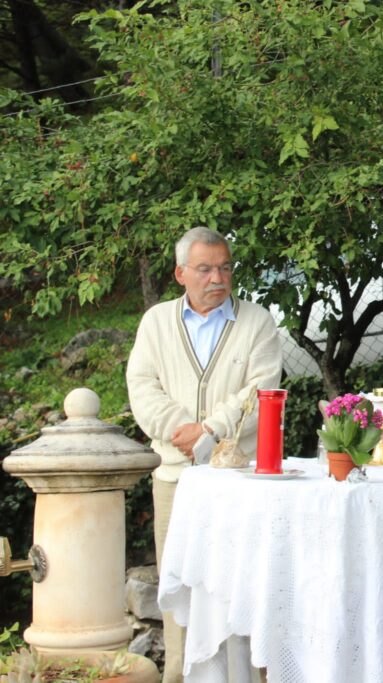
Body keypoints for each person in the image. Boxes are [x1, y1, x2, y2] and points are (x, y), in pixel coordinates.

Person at [126, 227, 282, 683]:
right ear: (180, 274)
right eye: (205, 269)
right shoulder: (156, 322)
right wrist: (183, 431)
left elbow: (261, 390)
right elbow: (142, 386)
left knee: (244, 588)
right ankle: (179, 676)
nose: (218, 278)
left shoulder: (257, 321)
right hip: (174, 480)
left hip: (241, 479)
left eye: (225, 267)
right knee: (179, 589)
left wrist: (210, 431)